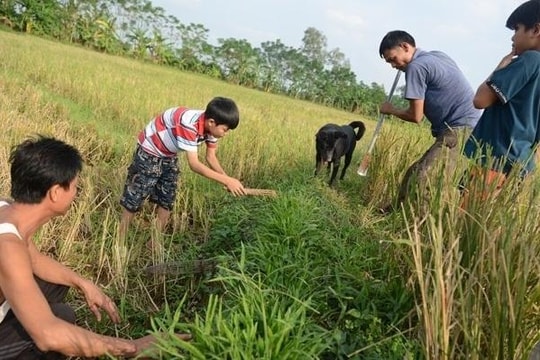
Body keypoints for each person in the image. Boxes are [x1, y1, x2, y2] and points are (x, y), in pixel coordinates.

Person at [0, 135, 190, 359]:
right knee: (55, 335)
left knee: (60, 306)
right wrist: (133, 347)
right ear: (55, 192)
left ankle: (31, 314)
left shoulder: (7, 210)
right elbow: (48, 334)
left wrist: (83, 282)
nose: (76, 194)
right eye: (74, 187)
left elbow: (34, 260)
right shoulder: (8, 246)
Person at [377, 30, 482, 214]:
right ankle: (394, 212)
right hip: (466, 126)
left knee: (427, 177)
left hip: (460, 129)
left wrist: (391, 110)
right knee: (414, 172)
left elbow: (415, 117)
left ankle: (422, 230)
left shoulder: (416, 67)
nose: (394, 66)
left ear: (405, 46)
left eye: (393, 59)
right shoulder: (437, 56)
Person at [119, 96, 246, 238]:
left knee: (168, 197)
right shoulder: (188, 124)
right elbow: (194, 164)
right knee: (137, 193)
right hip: (150, 149)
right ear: (211, 122)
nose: (226, 133)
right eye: (225, 130)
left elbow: (211, 157)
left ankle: (155, 241)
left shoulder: (212, 127)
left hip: (169, 154)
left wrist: (227, 179)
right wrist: (227, 181)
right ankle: (120, 237)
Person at [461, 0, 540, 206]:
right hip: (519, 164)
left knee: (467, 219)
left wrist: (501, 66)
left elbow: (480, 100)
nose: (513, 37)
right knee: (489, 223)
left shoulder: (530, 60)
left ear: (536, 30)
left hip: (495, 157)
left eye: (517, 29)